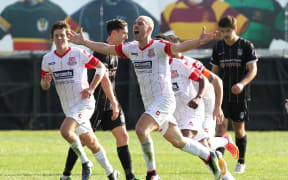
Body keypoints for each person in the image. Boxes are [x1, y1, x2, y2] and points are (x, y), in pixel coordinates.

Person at [68, 15, 222, 180]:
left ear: (149, 29)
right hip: (151, 103)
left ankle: (152, 174)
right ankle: (208, 156)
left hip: (164, 100)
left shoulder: (159, 46)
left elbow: (179, 47)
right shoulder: (132, 48)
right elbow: (106, 48)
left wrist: (198, 41)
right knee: (179, 141)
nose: (136, 25)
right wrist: (84, 42)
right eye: (135, 23)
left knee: (141, 129)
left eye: (140, 23)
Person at [60, 19, 138, 180]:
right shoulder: (101, 52)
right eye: (124, 33)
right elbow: (104, 80)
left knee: (123, 136)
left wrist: (113, 103)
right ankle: (66, 174)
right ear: (114, 33)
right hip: (95, 105)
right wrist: (115, 101)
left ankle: (130, 176)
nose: (126, 36)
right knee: (83, 140)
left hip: (109, 104)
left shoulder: (114, 53)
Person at [40, 21, 119, 180]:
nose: (60, 38)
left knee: (65, 131)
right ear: (52, 38)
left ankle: (85, 163)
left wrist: (91, 88)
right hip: (68, 108)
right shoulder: (48, 59)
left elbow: (101, 68)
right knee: (91, 142)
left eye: (63, 35)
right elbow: (43, 85)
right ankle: (112, 173)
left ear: (67, 37)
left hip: (84, 104)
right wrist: (46, 82)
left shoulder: (77, 53)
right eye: (57, 36)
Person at [156, 34, 236, 180]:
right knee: (202, 145)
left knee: (193, 141)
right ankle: (226, 171)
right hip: (187, 104)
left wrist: (217, 106)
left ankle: (223, 144)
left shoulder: (190, 63)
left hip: (205, 102)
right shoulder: (162, 65)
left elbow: (216, 81)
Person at [211, 15, 258, 173]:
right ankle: (220, 163)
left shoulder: (245, 46)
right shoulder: (218, 48)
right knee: (219, 129)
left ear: (235, 29)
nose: (226, 34)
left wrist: (241, 84)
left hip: (239, 96)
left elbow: (253, 70)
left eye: (228, 31)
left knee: (238, 130)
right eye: (223, 31)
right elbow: (214, 73)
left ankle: (241, 161)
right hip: (222, 96)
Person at [160, 0, 249, 48]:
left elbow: (242, 25)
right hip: (184, 58)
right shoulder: (171, 9)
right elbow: (159, 34)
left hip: (210, 58)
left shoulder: (216, 5)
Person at [0, 0, 78, 51]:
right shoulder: (11, 11)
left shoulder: (53, 10)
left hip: (44, 65)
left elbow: (72, 32)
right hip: (19, 64)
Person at [70, 0, 159, 42]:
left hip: (126, 57)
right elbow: (67, 28)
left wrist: (144, 45)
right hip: (99, 57)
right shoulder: (90, 8)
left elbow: (155, 26)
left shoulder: (131, 7)